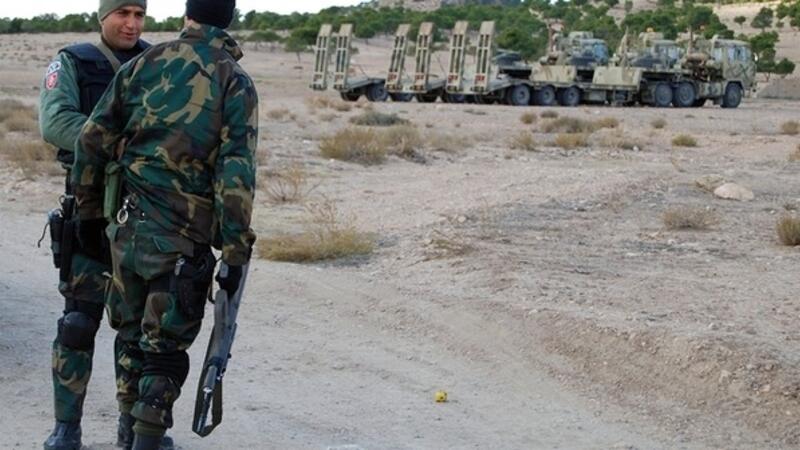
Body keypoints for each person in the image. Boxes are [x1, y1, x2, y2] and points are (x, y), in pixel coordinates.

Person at [72, 0, 257, 447]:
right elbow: (236, 174)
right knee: (165, 349)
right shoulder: (233, 79)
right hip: (183, 240)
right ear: (229, 19)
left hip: (127, 229)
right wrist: (235, 251)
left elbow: (91, 140)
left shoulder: (143, 64)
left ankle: (129, 429)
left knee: (131, 334)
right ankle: (147, 438)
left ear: (187, 16)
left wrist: (88, 213)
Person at [39, 2, 151, 449]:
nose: (132, 23)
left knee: (138, 330)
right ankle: (66, 427)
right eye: (122, 13)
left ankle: (134, 427)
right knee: (78, 323)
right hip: (89, 211)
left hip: (144, 216)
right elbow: (56, 122)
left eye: (139, 14)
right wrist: (123, 145)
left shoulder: (157, 63)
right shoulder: (73, 62)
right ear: (102, 16)